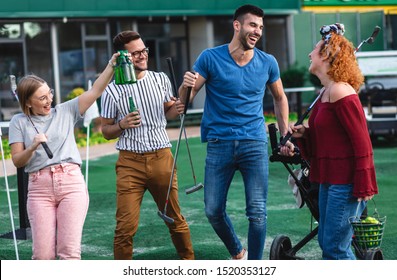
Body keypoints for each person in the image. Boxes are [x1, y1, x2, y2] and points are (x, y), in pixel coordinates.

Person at [179, 4, 294, 260]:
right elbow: (184, 101)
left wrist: (285, 136)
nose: (258, 31)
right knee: (212, 210)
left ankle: (254, 267)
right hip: (219, 143)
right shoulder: (210, 57)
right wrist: (185, 86)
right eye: (253, 25)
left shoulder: (268, 62)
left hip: (254, 142)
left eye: (261, 27)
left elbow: (280, 98)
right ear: (237, 25)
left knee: (257, 212)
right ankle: (237, 252)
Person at [8, 53, 119, 260]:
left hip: (70, 184)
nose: (49, 99)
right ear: (28, 102)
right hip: (39, 189)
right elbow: (17, 161)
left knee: (69, 253)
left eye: (49, 93)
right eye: (42, 98)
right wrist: (32, 147)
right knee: (42, 256)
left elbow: (96, 90)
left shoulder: (65, 111)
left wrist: (111, 65)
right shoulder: (18, 122)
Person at [100, 30, 195, 260]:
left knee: (174, 217)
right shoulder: (112, 90)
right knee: (124, 228)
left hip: (162, 158)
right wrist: (122, 124)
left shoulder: (160, 78)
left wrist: (180, 100)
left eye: (144, 50)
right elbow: (105, 131)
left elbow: (171, 112)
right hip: (129, 164)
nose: (142, 56)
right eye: (135, 53)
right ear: (122, 57)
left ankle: (190, 264)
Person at [289, 23, 378, 259]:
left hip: (345, 182)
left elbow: (362, 143)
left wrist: (364, 183)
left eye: (315, 49)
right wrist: (304, 134)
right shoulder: (326, 92)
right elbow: (327, 138)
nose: (309, 54)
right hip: (329, 180)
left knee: (335, 247)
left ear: (327, 55)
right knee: (329, 242)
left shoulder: (341, 91)